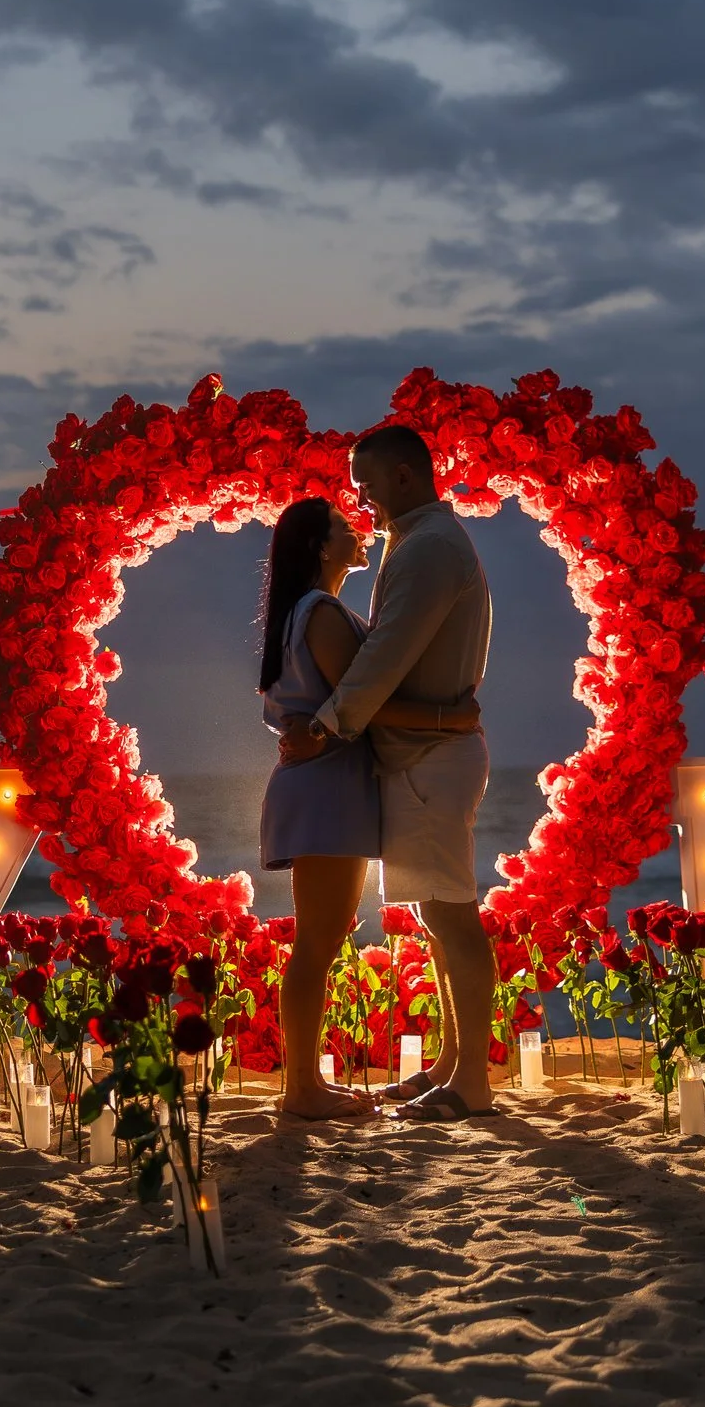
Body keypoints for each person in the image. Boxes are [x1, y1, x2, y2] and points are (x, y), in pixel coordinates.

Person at [277, 424, 496, 1121]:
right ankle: (450, 1067)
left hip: (430, 759)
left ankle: (471, 1086)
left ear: (405, 476)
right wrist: (442, 719)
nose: (361, 499)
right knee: (438, 915)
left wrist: (325, 727)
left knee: (450, 913)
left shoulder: (430, 546)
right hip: (420, 752)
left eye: (366, 485)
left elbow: (386, 657)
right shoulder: (417, 542)